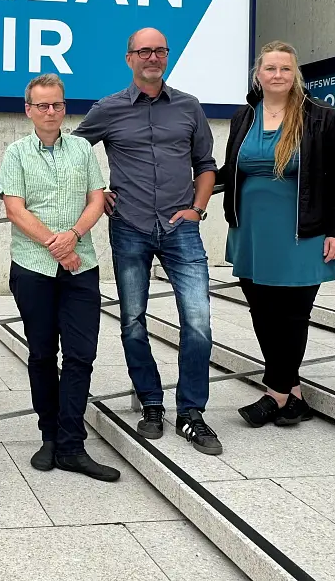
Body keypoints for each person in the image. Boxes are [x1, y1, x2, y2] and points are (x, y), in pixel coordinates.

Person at [73, 28, 223, 455]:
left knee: (198, 321)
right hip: (130, 226)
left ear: (166, 56)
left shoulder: (189, 107)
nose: (152, 57)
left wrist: (197, 209)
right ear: (130, 58)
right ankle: (151, 403)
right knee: (133, 321)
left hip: (181, 227)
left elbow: (205, 164)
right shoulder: (109, 108)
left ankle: (191, 412)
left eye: (159, 51)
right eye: (144, 51)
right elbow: (73, 155)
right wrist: (96, 194)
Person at [0, 73, 119, 482]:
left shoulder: (82, 148)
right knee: (42, 355)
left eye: (58, 105)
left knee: (81, 355)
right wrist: (57, 245)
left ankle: (72, 444)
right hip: (33, 268)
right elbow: (15, 209)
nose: (51, 112)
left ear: (65, 108)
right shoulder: (16, 153)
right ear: (28, 110)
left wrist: (73, 237)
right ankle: (49, 436)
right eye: (43, 105)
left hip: (81, 267)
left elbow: (96, 199)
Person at [220, 41, 335, 427]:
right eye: (270, 68)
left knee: (292, 314)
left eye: (285, 69)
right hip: (250, 232)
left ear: (295, 74)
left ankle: (274, 392)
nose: (278, 75)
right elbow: (230, 170)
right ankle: (295, 396)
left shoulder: (321, 116)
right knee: (261, 311)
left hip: (302, 233)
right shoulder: (245, 116)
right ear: (258, 74)